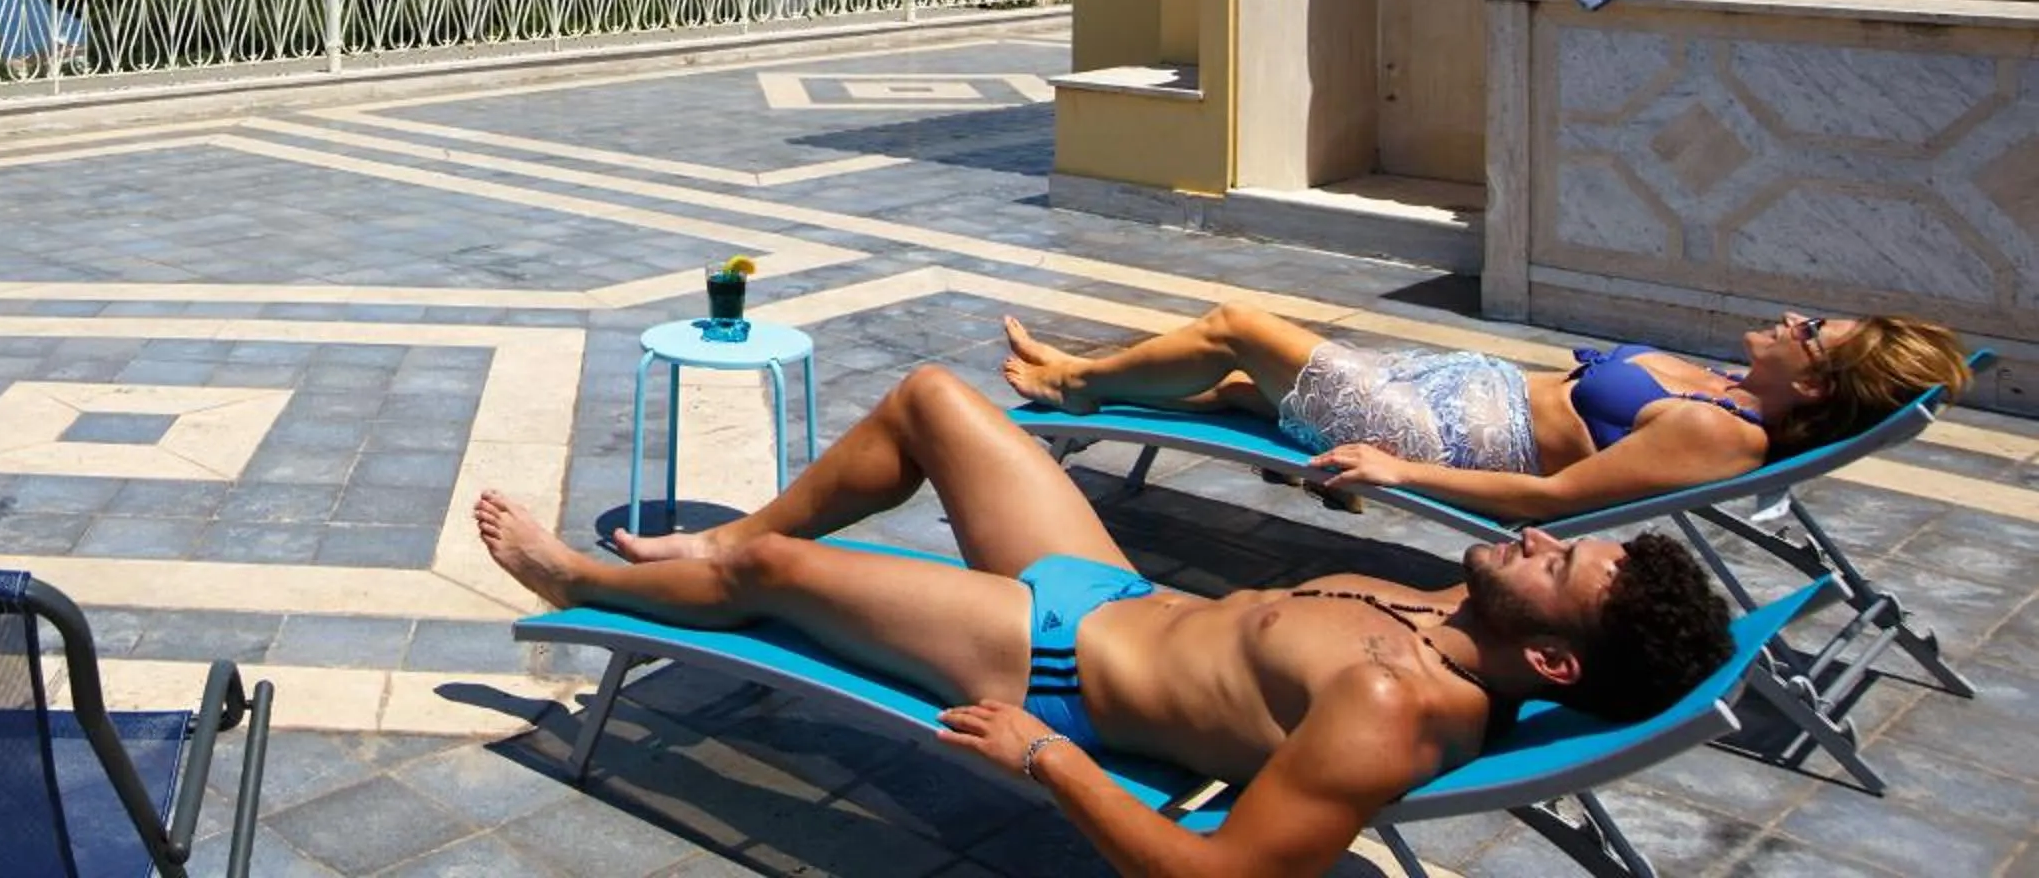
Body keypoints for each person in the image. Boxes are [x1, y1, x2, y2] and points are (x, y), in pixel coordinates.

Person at [476, 365, 1731, 878]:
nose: (1543, 539)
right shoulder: (1466, 603)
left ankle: (581, 583)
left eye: (1564, 563)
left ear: (1554, 656)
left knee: (778, 570)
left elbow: (1223, 874)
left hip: (1055, 664)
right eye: (1566, 534)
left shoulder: (1394, 710)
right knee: (930, 398)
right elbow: (1523, 512)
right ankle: (708, 539)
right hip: (1116, 595)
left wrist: (1052, 758)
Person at [999, 303, 1969, 521]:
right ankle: (1084, 372)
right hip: (1442, 391)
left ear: (1810, 385)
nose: (1792, 316)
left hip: (1432, 433)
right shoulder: (1725, 393)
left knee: (1236, 327)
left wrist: (1398, 471)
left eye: (1811, 330)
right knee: (1250, 388)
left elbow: (1551, 501)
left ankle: (1069, 384)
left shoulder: (1720, 430)